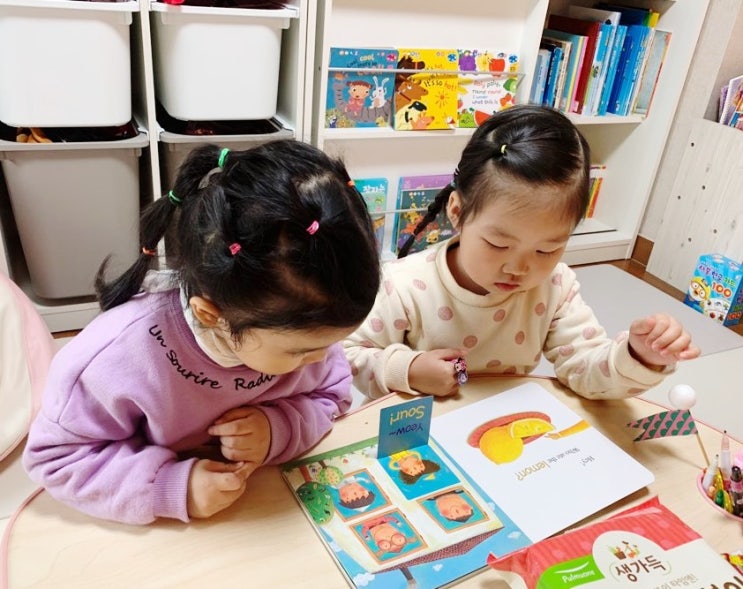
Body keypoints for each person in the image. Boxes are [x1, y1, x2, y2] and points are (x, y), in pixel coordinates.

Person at [22, 140, 381, 525]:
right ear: (211, 315)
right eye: (299, 352)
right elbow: (56, 459)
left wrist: (277, 430)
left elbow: (331, 395)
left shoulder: (307, 333)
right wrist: (168, 487)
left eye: (330, 343)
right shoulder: (112, 360)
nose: (323, 358)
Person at [344, 104, 700, 401]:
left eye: (547, 249)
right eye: (498, 244)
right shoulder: (403, 285)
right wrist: (406, 369)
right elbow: (345, 356)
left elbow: (585, 369)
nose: (519, 267)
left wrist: (638, 356)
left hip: (508, 433)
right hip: (414, 433)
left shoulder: (555, 287)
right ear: (457, 211)